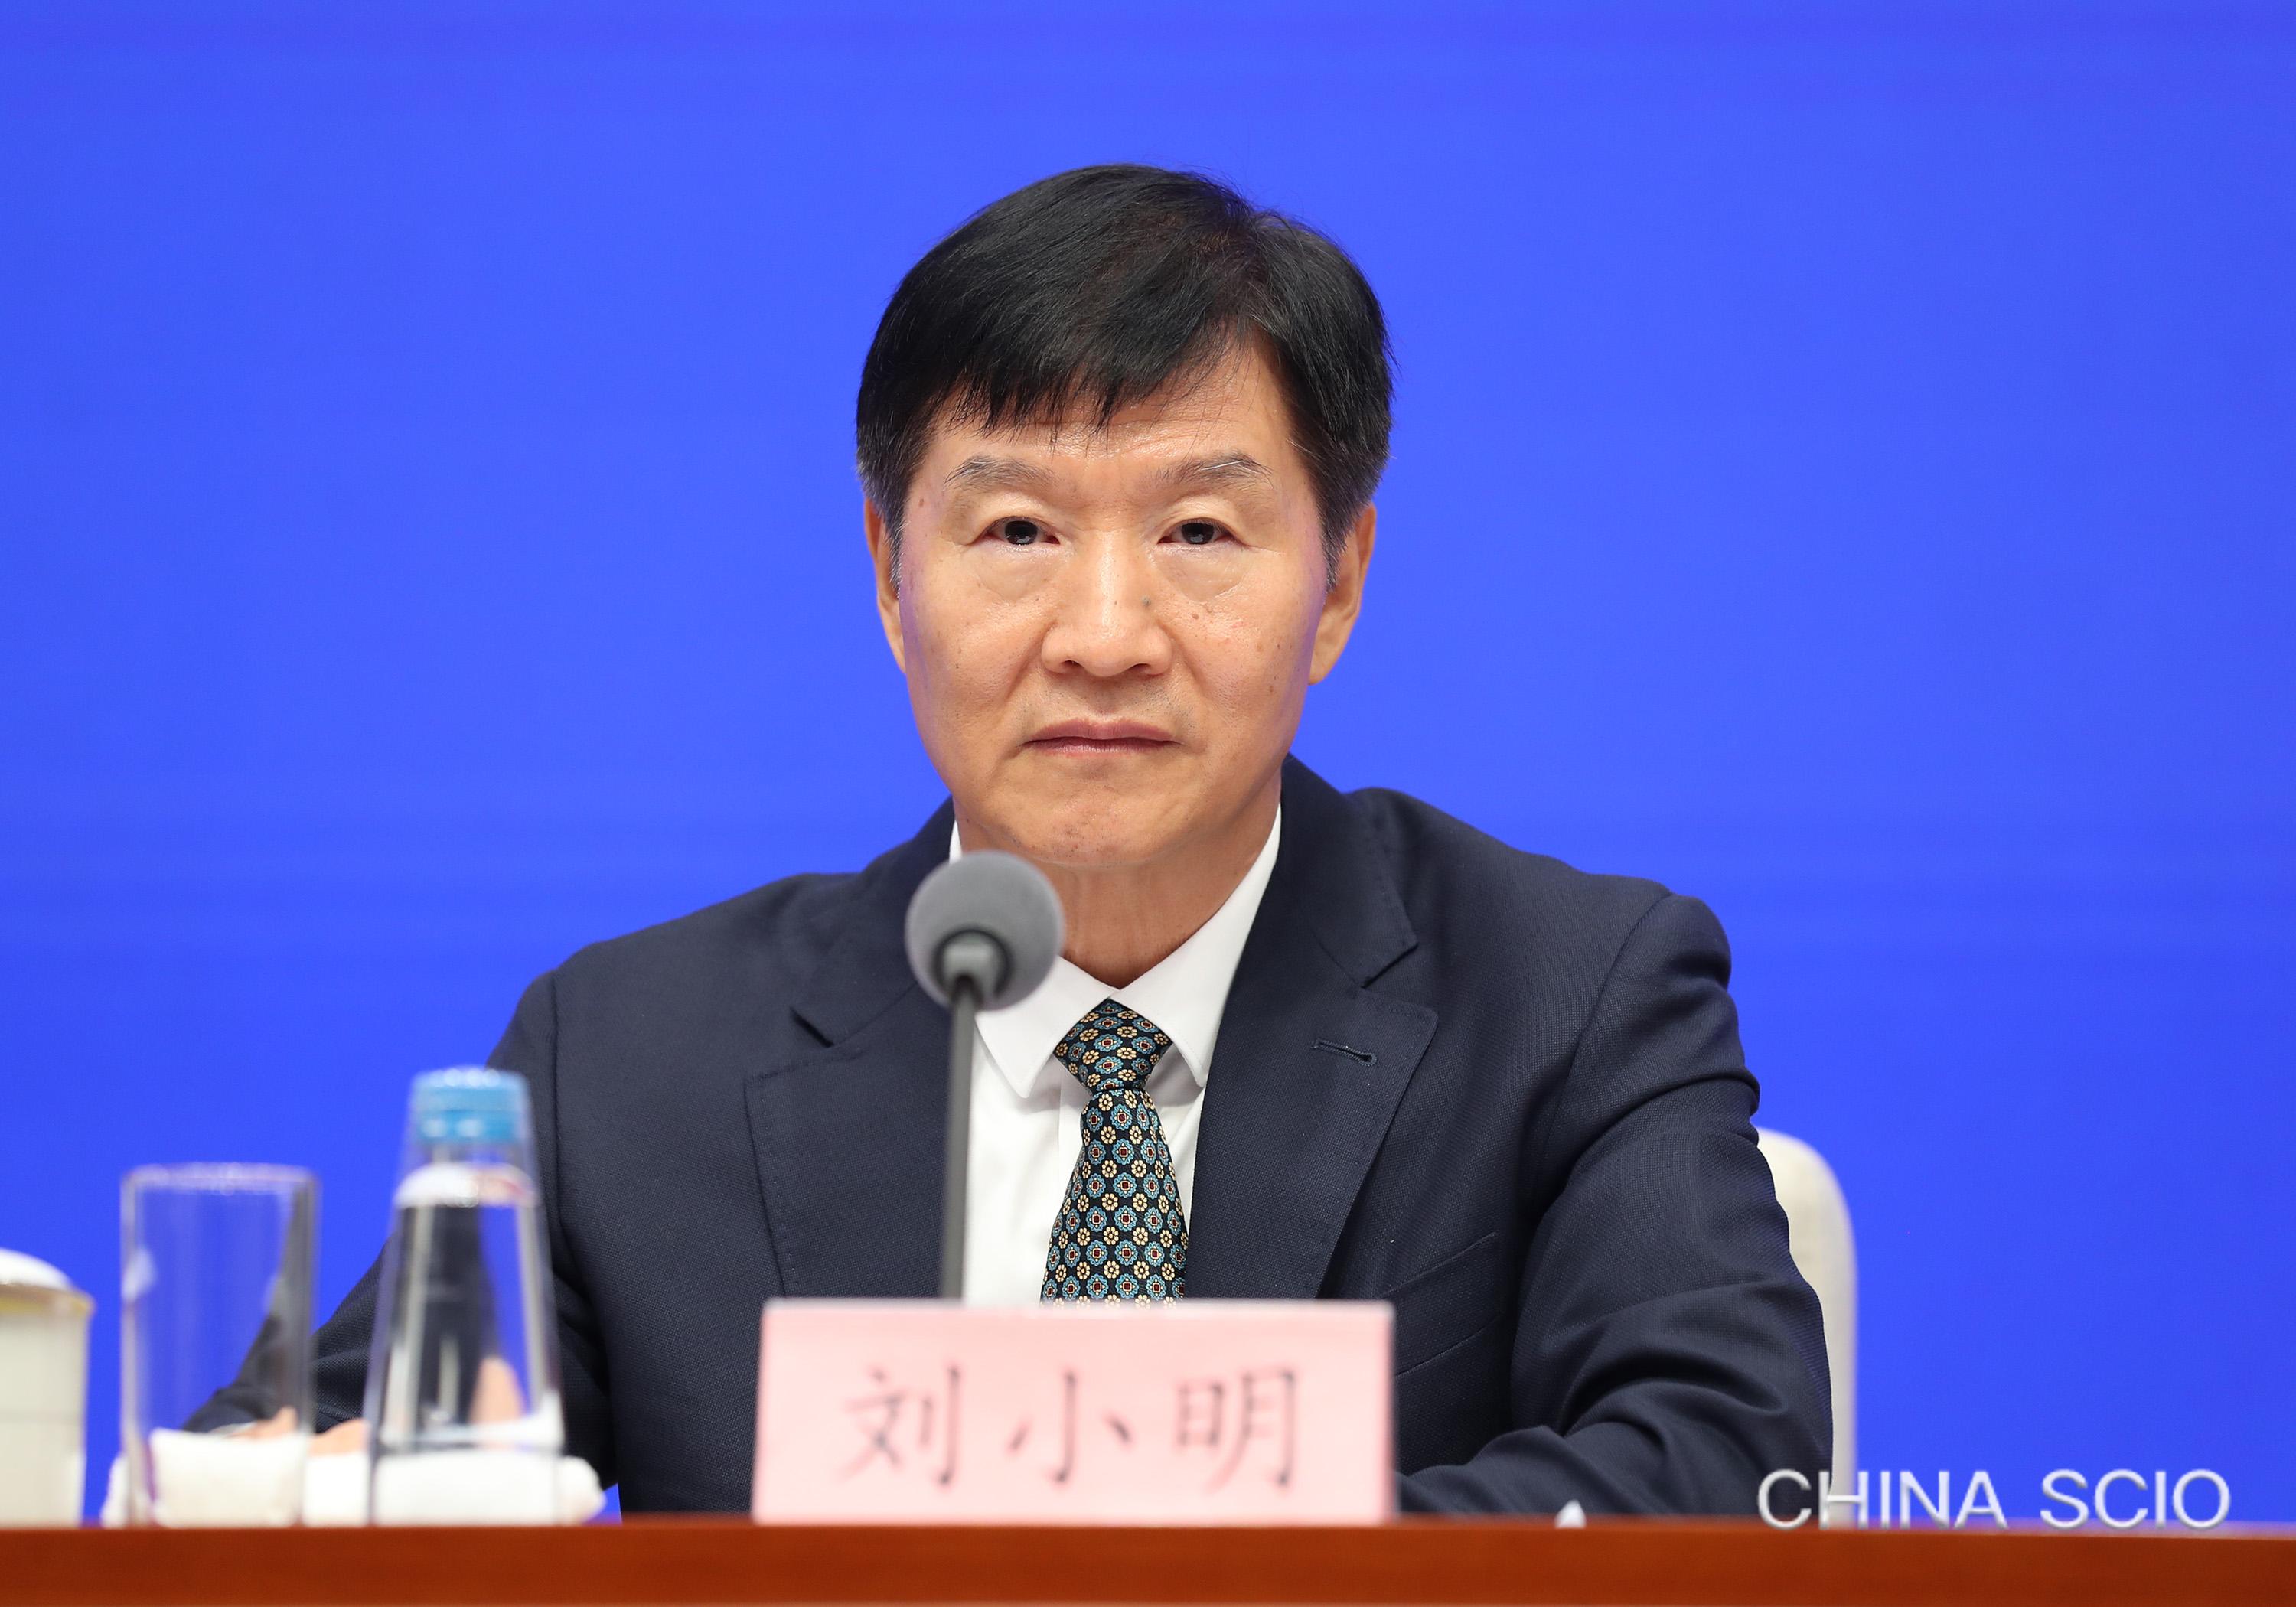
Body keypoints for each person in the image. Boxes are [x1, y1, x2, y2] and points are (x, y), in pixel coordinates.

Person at [293, 164, 1828, 1514]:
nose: (1104, 636)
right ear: (890, 574)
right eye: (1018, 530)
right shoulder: (624, 1061)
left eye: (1198, 533)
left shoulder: (1567, 999)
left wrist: (1191, 1560)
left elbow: (1727, 1464)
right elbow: (310, 1462)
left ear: (1341, 582)